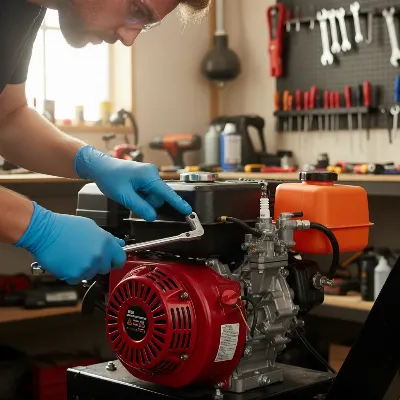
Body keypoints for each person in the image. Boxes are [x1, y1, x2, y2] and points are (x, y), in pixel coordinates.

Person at [0, 0, 210, 285]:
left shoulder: (24, 9)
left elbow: (7, 116)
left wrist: (93, 161)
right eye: (137, 10)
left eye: (145, 25)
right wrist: (36, 227)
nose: (129, 38)